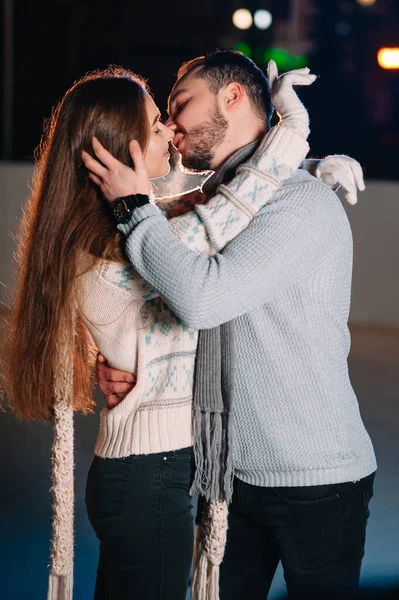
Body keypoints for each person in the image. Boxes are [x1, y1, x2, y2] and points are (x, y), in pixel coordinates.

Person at [1, 60, 340, 600]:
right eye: (156, 120)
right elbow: (223, 215)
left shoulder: (119, 230)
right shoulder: (126, 245)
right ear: (121, 146)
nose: (169, 130)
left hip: (147, 473)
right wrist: (292, 131)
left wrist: (313, 166)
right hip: (149, 477)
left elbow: (208, 204)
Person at [84, 51, 376, 600]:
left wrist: (134, 211)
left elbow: (201, 296)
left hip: (316, 479)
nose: (170, 125)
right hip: (227, 477)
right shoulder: (218, 203)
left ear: (232, 97)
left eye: (180, 104)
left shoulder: (298, 202)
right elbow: (148, 284)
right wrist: (126, 361)